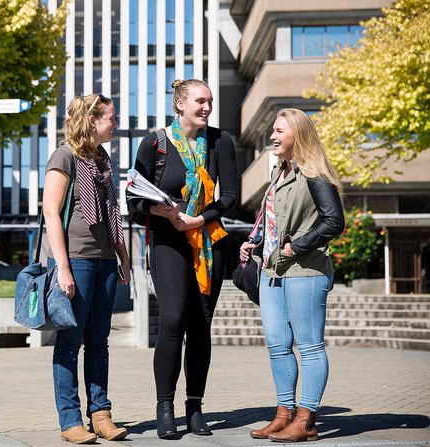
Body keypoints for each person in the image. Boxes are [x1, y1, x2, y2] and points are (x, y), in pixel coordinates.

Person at [127, 79, 238, 438]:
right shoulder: (155, 143)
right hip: (168, 241)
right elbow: (133, 202)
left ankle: (195, 407)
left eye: (210, 101)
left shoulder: (220, 142)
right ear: (180, 105)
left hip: (209, 241)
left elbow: (231, 196)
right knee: (173, 320)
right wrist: (162, 212)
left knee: (200, 324)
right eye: (199, 101)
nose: (206, 107)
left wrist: (200, 219)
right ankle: (165, 407)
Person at [240, 108, 345, 442]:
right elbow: (276, 221)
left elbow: (334, 221)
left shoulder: (314, 172)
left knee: (310, 347)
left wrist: (294, 248)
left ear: (297, 135)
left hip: (305, 270)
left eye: (279, 131)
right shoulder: (278, 172)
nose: (272, 136)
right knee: (277, 345)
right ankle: (284, 414)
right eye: (273, 130)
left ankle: (307, 418)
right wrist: (255, 243)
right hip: (272, 272)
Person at [42, 93, 131, 444]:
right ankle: (70, 420)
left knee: (99, 341)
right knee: (69, 341)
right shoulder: (64, 157)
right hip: (75, 260)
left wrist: (123, 256)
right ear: (92, 120)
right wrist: (62, 268)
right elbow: (51, 212)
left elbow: (112, 213)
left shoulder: (103, 159)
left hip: (106, 260)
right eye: (111, 116)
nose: (116, 122)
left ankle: (102, 414)